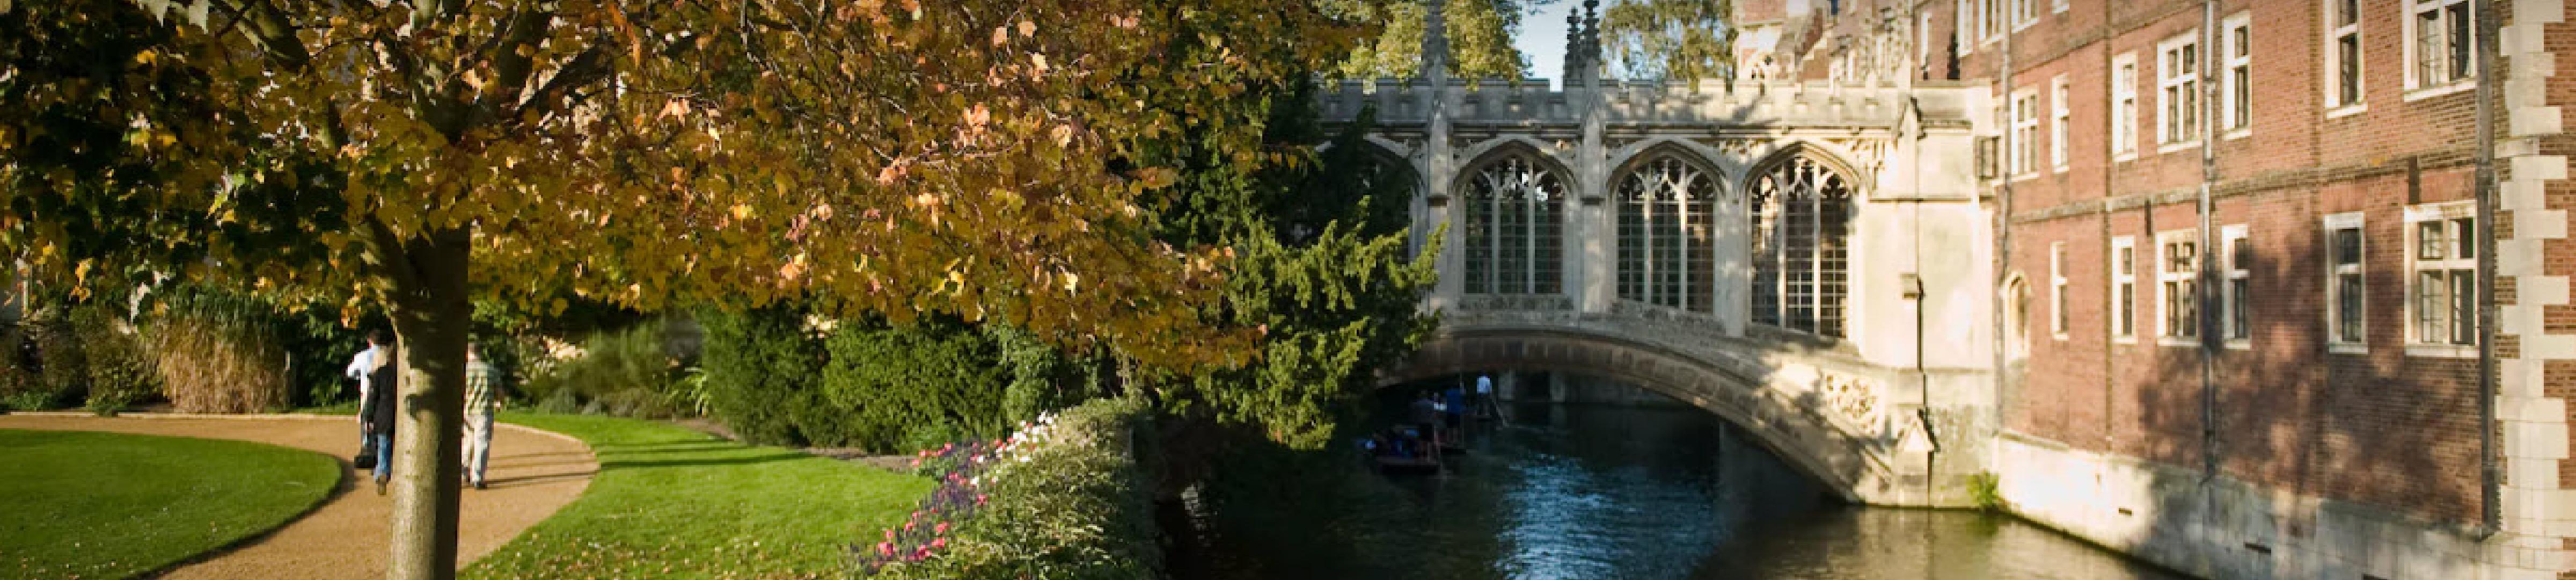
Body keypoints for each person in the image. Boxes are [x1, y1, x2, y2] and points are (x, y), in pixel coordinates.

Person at [356, 330, 399, 495]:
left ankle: (382, 472)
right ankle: (385, 470)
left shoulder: (380, 374)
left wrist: (366, 416)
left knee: (382, 443)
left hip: (382, 413)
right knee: (389, 443)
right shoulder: (400, 374)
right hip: (397, 413)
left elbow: (373, 398)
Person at [462, 343, 500, 490]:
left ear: (468, 353)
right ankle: (477, 477)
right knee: (481, 442)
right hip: (484, 411)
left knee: (467, 441)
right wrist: (500, 402)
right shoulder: (491, 370)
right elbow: (499, 391)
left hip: (465, 410)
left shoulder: (463, 369)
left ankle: (464, 470)